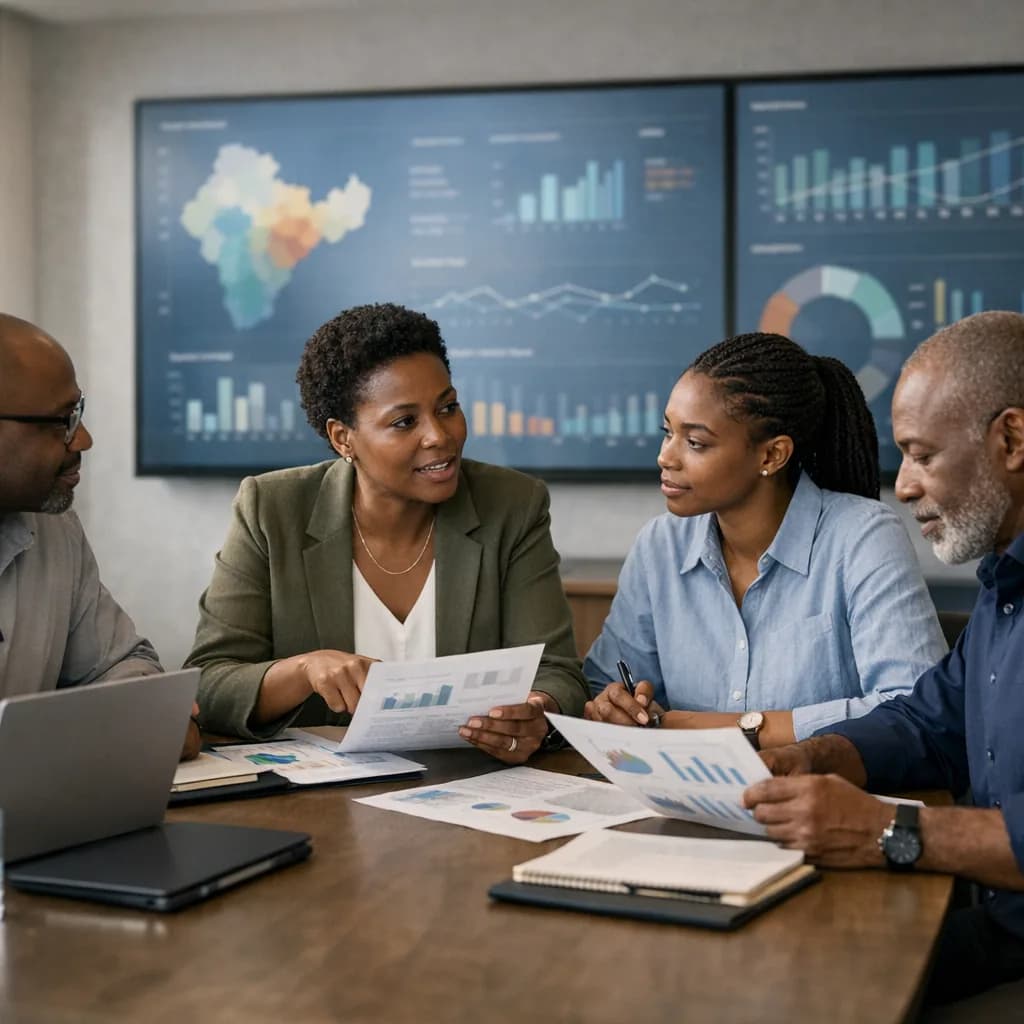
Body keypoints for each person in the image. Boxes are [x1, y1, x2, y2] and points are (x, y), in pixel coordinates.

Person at [743, 311, 1024, 1007]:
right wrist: (821, 754)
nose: (902, 486)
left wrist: (890, 831)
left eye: (922, 455)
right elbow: (934, 723)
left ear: (1012, 439)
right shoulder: (1005, 583)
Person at [188, 303, 588, 763]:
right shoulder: (271, 509)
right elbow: (209, 683)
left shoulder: (512, 506)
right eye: (404, 422)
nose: (439, 435)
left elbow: (556, 672)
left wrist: (535, 711)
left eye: (448, 407)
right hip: (321, 801)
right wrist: (303, 670)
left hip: (467, 787)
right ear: (343, 438)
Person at [583, 331, 946, 748]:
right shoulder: (659, 547)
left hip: (824, 800)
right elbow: (603, 684)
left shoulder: (863, 536)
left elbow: (911, 705)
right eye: (668, 433)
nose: (666, 456)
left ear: (772, 455)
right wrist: (611, 704)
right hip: (685, 798)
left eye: (696, 442)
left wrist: (721, 728)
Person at [0, 314, 200, 760]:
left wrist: (146, 709)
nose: (84, 440)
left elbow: (120, 663)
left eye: (79, 414)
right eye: (61, 422)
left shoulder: (54, 528)